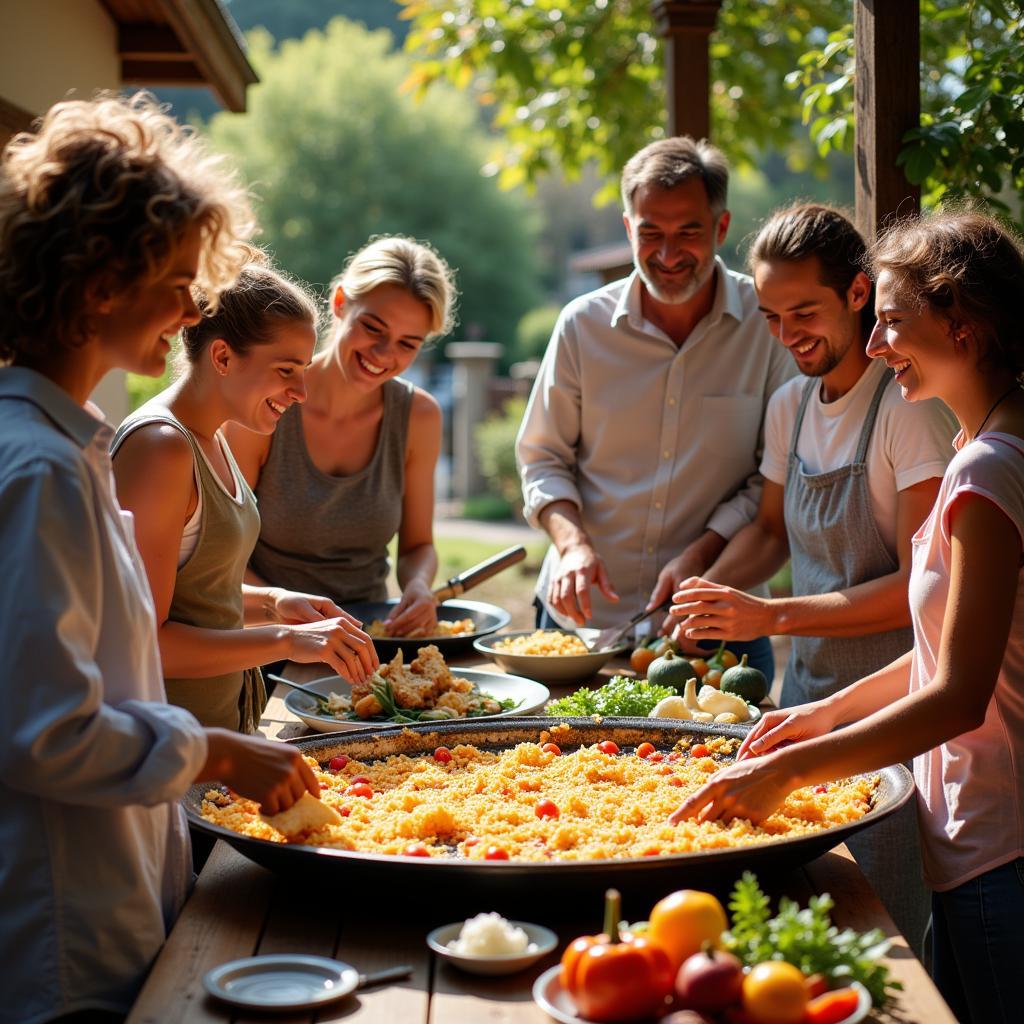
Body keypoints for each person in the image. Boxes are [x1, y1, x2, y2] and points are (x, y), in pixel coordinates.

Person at [0, 93, 321, 1024]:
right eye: (178, 281)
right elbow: (45, 732)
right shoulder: (41, 469)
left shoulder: (65, 448)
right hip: (64, 935)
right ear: (101, 283)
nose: (192, 307)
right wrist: (217, 750)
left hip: (110, 896)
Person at [670, 210, 1024, 1024]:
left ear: (961, 324)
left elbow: (958, 697)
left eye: (892, 323)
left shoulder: (986, 474)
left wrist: (786, 772)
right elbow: (944, 649)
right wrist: (818, 715)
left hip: (997, 848)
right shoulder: (993, 445)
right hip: (972, 844)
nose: (875, 346)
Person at [516, 136, 795, 679]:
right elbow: (542, 457)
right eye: (651, 233)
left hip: (717, 625)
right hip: (578, 628)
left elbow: (774, 476)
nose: (668, 255)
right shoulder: (580, 325)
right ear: (628, 229)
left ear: (720, 227)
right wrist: (572, 546)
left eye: (688, 232)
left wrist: (703, 556)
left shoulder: (768, 328)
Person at [111, 256, 378, 733]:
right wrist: (287, 641)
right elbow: (142, 641)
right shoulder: (162, 449)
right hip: (166, 754)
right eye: (286, 369)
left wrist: (274, 601)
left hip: (219, 739)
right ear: (223, 357)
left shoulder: (212, 435)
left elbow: (197, 595)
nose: (301, 390)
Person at [225, 236, 456, 638]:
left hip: (370, 638)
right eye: (373, 328)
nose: (384, 354)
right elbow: (222, 553)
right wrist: (290, 622)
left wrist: (418, 585)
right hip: (266, 637)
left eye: (407, 344)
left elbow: (418, 545)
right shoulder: (268, 403)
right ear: (339, 303)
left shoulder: (419, 417)